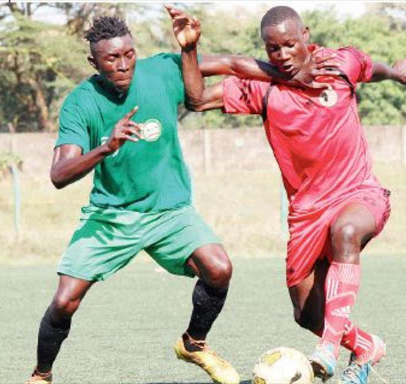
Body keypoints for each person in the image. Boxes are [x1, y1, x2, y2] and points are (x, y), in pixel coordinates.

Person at [166, 5, 406, 384]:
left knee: (346, 232)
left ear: (306, 35)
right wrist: (189, 49)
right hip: (306, 213)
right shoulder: (263, 90)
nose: (283, 54)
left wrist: (397, 73)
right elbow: (198, 100)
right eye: (272, 49)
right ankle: (365, 348)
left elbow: (372, 68)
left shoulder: (339, 65)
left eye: (289, 44)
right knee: (306, 313)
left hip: (358, 193)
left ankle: (329, 350)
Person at [25, 14, 252, 384]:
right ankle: (41, 375)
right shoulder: (81, 102)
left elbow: (227, 67)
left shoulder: (161, 70)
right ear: (94, 62)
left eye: (129, 54)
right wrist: (105, 146)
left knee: (219, 268)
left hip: (170, 211)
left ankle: (194, 343)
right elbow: (59, 174)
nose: (123, 64)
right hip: (112, 216)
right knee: (65, 301)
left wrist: (288, 73)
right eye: (112, 58)